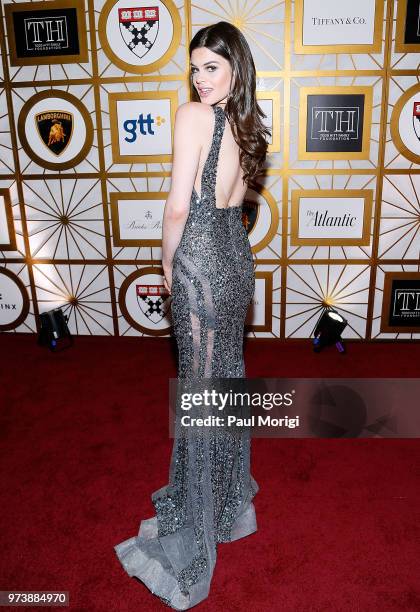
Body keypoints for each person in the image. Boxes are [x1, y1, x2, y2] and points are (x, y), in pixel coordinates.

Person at [114, 21, 270, 610]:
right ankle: (225, 499)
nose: (201, 79)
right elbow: (237, 198)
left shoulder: (192, 116)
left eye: (213, 67)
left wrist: (164, 267)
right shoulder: (252, 123)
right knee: (224, 378)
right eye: (196, 67)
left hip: (202, 259)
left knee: (202, 391)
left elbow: (179, 207)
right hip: (237, 255)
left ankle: (199, 528)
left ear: (235, 67)